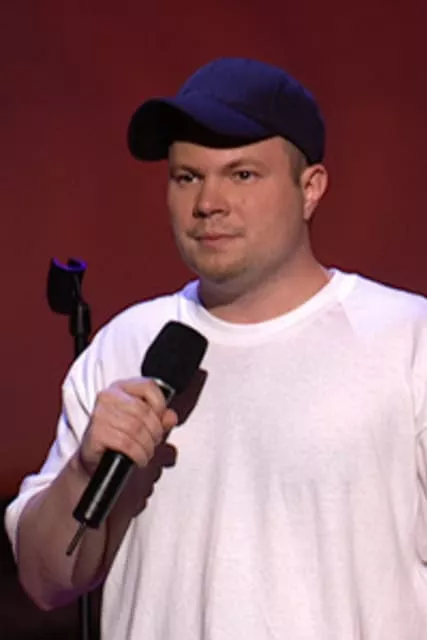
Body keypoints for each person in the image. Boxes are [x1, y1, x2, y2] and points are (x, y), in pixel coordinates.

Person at [5, 57, 427, 639]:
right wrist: (82, 471)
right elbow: (43, 580)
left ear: (310, 189)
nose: (208, 202)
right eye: (187, 177)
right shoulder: (125, 346)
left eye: (242, 175)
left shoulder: (406, 339)